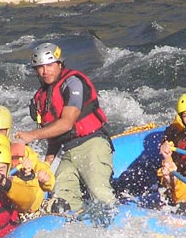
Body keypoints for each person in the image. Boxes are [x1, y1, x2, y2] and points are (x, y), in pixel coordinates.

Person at [15, 42, 116, 212]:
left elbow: (67, 122)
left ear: (59, 64)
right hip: (65, 153)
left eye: (49, 65)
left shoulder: (73, 83)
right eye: (40, 67)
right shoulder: (40, 97)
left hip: (91, 144)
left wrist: (31, 135)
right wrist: (47, 162)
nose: (45, 71)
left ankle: (118, 224)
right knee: (62, 202)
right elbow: (54, 136)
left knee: (100, 195)